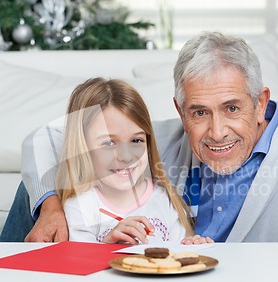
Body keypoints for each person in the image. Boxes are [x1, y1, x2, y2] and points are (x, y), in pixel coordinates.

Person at [0, 31, 278, 244]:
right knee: (35, 190)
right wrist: (49, 207)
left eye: (232, 108)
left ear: (260, 103)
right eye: (199, 112)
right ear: (181, 110)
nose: (216, 132)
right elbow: (43, 138)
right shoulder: (153, 141)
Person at [55, 77, 208, 244]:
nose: (126, 156)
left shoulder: (166, 199)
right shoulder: (81, 206)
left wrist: (193, 248)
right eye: (109, 143)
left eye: (136, 141)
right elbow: (79, 263)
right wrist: (107, 245)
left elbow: (178, 257)